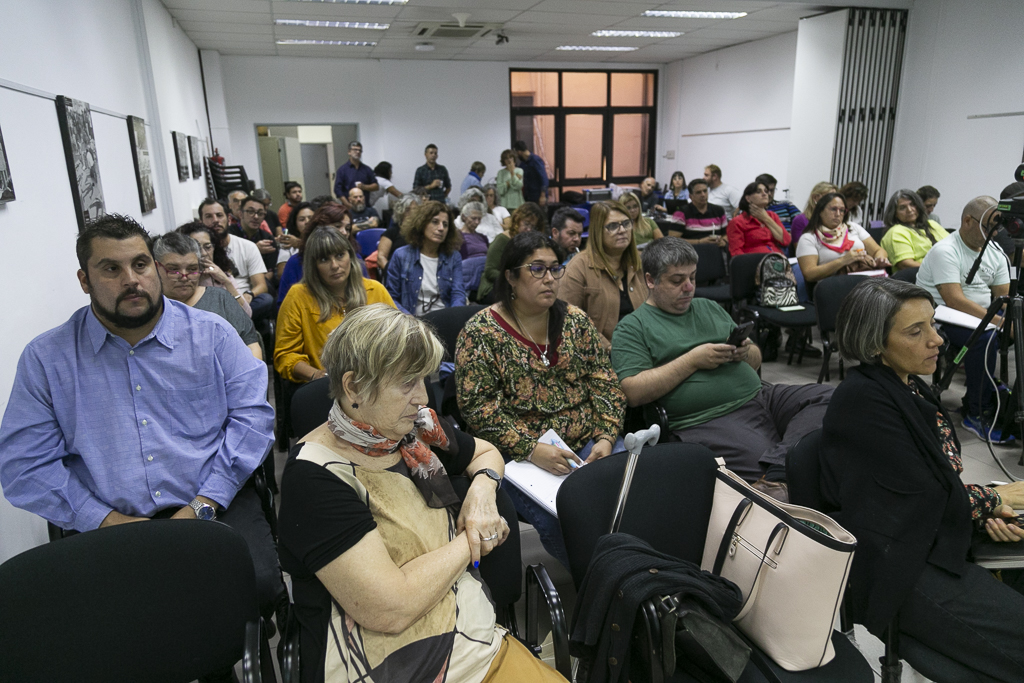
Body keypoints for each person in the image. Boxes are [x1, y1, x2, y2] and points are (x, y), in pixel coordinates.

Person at [0, 214, 283, 623]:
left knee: (255, 586)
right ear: (85, 281)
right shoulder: (47, 359)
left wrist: (202, 505)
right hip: (105, 518)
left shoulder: (212, 334)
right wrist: (104, 520)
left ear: (155, 267)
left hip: (212, 502)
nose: (131, 280)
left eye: (140, 264)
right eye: (111, 269)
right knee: (102, 620)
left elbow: (253, 419)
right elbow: (24, 464)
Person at [278, 304, 566, 683]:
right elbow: (389, 609)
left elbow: (486, 453)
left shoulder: (415, 428)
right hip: (386, 664)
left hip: (470, 636)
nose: (421, 397)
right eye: (406, 383)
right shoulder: (315, 477)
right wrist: (475, 537)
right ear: (353, 387)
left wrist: (483, 492)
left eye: (423, 380)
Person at [822, 277, 1024, 681]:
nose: (937, 340)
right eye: (916, 332)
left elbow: (934, 484)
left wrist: (981, 510)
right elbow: (924, 495)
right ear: (874, 344)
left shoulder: (910, 386)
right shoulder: (862, 400)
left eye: (932, 324)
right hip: (900, 563)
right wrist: (993, 500)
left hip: (930, 538)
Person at [611, 237, 832, 498]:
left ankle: (778, 470)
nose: (688, 287)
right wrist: (692, 360)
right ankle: (785, 469)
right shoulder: (632, 327)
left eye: (693, 277)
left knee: (831, 398)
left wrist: (744, 352)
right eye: (677, 280)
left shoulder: (708, 307)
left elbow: (756, 358)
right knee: (776, 462)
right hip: (710, 418)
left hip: (761, 396)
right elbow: (633, 391)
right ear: (650, 280)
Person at [456, 232, 627, 566]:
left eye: (555, 268)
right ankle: (600, 579)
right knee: (567, 517)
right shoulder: (481, 333)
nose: (549, 278)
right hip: (520, 457)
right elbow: (479, 409)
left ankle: (636, 572)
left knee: (630, 497)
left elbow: (605, 383)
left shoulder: (575, 321)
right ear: (511, 277)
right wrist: (531, 449)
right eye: (537, 269)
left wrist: (606, 437)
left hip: (588, 443)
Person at [917, 196, 1012, 442]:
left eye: (997, 226)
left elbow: (1004, 296)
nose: (994, 233)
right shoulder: (946, 250)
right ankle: (976, 411)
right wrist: (1000, 323)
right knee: (985, 338)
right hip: (941, 316)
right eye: (988, 226)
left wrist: (1010, 320)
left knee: (1012, 329)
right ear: (968, 221)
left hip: (981, 314)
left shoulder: (995, 252)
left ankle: (1000, 400)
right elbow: (954, 300)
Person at [275, 226, 395, 386]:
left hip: (376, 382)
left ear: (350, 256)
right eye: (324, 259)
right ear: (313, 266)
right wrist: (315, 375)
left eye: (340, 255)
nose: (335, 265)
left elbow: (397, 338)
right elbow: (285, 354)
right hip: (327, 386)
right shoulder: (298, 296)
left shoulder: (375, 290)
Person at [154, 231, 262, 359]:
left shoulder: (221, 299)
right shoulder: (152, 307)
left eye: (192, 269)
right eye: (173, 270)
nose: (184, 277)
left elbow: (251, 346)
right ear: (156, 267)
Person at [561, 200, 648, 349]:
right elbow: (569, 321)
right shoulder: (578, 267)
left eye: (626, 223)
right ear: (597, 231)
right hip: (600, 353)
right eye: (613, 226)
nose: (622, 230)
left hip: (644, 347)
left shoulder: (641, 262)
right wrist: (609, 348)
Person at [199, 197, 272, 322]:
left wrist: (249, 294)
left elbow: (261, 285)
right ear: (201, 222)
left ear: (228, 219)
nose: (215, 220)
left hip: (242, 298)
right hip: (212, 302)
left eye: (219, 215)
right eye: (209, 216)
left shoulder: (248, 246)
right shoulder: (197, 250)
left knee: (266, 300)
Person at [386, 201, 466, 315]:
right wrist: (409, 319)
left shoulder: (453, 257)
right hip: (412, 320)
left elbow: (458, 294)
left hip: (445, 318)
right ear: (422, 224)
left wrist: (454, 316)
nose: (441, 228)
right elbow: (391, 298)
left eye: (445, 224)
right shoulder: (401, 255)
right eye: (435, 222)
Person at [796, 192, 890, 284]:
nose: (838, 214)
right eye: (833, 209)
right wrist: (843, 261)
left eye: (842, 210)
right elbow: (809, 274)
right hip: (834, 286)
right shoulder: (809, 238)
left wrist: (880, 259)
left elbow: (878, 250)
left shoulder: (853, 227)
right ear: (820, 211)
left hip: (865, 281)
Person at [278, 203, 354, 306]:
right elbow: (284, 305)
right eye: (337, 226)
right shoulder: (296, 262)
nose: (344, 232)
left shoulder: (355, 258)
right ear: (320, 228)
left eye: (348, 228)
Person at [181, 216, 251, 317]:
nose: (203, 253)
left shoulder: (221, 276)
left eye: (208, 247)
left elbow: (247, 315)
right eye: (196, 248)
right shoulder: (182, 278)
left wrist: (226, 282)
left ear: (214, 249)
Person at [478, 202, 546, 303]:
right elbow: (490, 271)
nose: (529, 229)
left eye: (533, 227)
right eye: (526, 224)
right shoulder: (502, 240)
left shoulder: (532, 244)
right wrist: (515, 279)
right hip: (494, 288)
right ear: (517, 220)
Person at [880, 189, 950, 272]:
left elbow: (956, 246)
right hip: (922, 276)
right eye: (902, 208)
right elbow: (906, 264)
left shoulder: (932, 224)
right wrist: (940, 269)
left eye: (913, 204)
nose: (909, 210)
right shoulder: (896, 232)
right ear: (895, 213)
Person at [726, 181, 791, 257]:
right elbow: (736, 253)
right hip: (754, 261)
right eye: (758, 192)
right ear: (748, 198)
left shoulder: (772, 216)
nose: (764, 194)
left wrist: (766, 218)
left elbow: (786, 241)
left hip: (778, 259)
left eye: (766, 191)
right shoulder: (737, 222)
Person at [232, 194, 279, 274]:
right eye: (251, 212)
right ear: (241, 214)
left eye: (260, 213)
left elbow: (269, 272)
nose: (256, 217)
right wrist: (254, 250)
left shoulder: (268, 239)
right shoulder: (229, 235)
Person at [377, 193, 422, 276]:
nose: (412, 213)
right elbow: (381, 258)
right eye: (407, 210)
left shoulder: (422, 233)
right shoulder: (391, 233)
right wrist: (392, 273)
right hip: (394, 274)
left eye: (415, 210)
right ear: (401, 212)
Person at [675, 178, 728, 245]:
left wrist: (723, 241)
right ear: (691, 196)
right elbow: (673, 240)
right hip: (691, 250)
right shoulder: (681, 213)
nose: (703, 195)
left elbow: (726, 235)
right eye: (698, 192)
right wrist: (699, 242)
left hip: (715, 249)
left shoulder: (719, 211)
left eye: (705, 191)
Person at [275, 200, 315, 281]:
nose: (307, 222)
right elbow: (282, 274)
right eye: (302, 219)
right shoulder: (289, 241)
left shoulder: (325, 238)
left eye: (310, 218)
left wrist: (300, 244)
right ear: (295, 224)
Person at [791, 182, 838, 248]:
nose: (834, 201)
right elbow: (800, 248)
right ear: (815, 198)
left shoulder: (834, 220)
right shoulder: (800, 220)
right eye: (829, 197)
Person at [514, 140, 548, 205]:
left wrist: (543, 196)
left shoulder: (536, 160)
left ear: (519, 152)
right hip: (528, 197)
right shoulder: (523, 164)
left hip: (538, 197)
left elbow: (543, 178)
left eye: (516, 154)